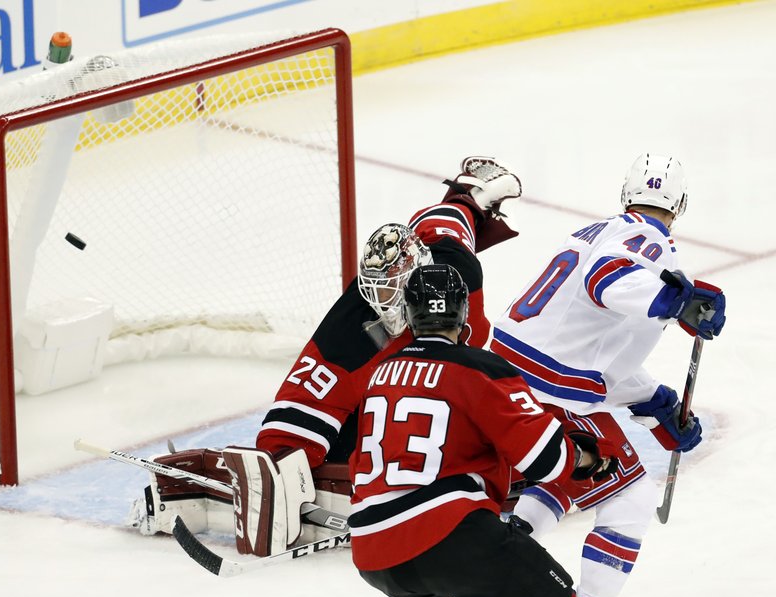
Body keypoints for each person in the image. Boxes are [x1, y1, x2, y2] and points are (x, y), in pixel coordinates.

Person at [341, 264, 669, 597]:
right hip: (455, 535)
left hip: (372, 547)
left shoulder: (381, 371)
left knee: (417, 595)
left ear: (408, 314)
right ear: (462, 314)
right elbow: (544, 461)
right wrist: (587, 457)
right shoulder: (480, 368)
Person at [128, 157, 523, 555]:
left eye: (395, 294)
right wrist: (280, 467)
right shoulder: (358, 325)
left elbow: (445, 223)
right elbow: (304, 402)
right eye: (378, 293)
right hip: (395, 405)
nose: (386, 306)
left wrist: (470, 196)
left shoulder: (456, 267)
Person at [489, 153, 727, 597]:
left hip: (515, 375)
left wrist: (654, 400)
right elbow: (609, 281)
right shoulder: (649, 242)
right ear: (680, 206)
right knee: (631, 489)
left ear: (626, 194)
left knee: (580, 477)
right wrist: (676, 301)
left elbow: (599, 355)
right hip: (548, 386)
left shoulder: (601, 229)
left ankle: (507, 553)